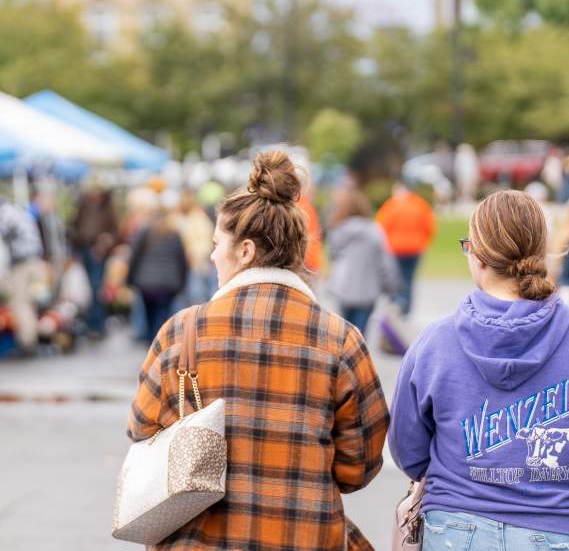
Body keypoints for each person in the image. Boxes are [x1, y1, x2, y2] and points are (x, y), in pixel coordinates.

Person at [127, 150, 388, 550]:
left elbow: (142, 429)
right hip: (304, 536)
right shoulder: (341, 340)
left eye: (218, 243)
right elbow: (359, 467)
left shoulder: (182, 331)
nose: (213, 255)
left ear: (245, 251)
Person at [389, 190, 569, 550]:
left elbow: (407, 449)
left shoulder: (436, 343)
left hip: (456, 525)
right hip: (558, 527)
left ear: (477, 254)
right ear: (540, 250)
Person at [326, 188, 400, 334]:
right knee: (360, 335)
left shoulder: (338, 231)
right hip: (368, 290)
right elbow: (386, 263)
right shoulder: (375, 231)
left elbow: (332, 256)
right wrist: (392, 288)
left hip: (343, 288)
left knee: (342, 335)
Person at [126, 203, 189, 344]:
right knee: (163, 316)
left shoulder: (144, 232)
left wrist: (130, 279)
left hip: (146, 283)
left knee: (149, 315)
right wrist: (182, 282)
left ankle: (151, 344)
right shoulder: (174, 234)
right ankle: (160, 343)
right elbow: (182, 260)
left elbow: (134, 258)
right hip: (168, 283)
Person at [0, 200, 45, 352]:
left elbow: (0, 237)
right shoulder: (19, 211)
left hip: (22, 263)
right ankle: (34, 337)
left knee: (20, 302)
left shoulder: (4, 213)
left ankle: (27, 342)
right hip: (36, 260)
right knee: (32, 302)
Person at [376, 182, 436, 314]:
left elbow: (380, 226)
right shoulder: (421, 205)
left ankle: (397, 304)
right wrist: (424, 242)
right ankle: (406, 309)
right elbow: (430, 226)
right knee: (409, 279)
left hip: (395, 248)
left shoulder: (391, 205)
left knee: (395, 279)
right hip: (415, 248)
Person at [69, 187, 118, 337]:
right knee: (87, 288)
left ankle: (98, 323)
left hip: (98, 252)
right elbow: (73, 226)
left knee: (96, 287)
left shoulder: (107, 208)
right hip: (84, 248)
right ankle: (90, 322)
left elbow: (114, 231)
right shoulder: (83, 205)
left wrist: (103, 244)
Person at [172, 191, 214, 305]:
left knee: (196, 295)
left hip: (195, 265)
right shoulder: (174, 219)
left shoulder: (200, 219)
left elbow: (206, 241)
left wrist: (193, 253)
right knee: (180, 298)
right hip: (177, 266)